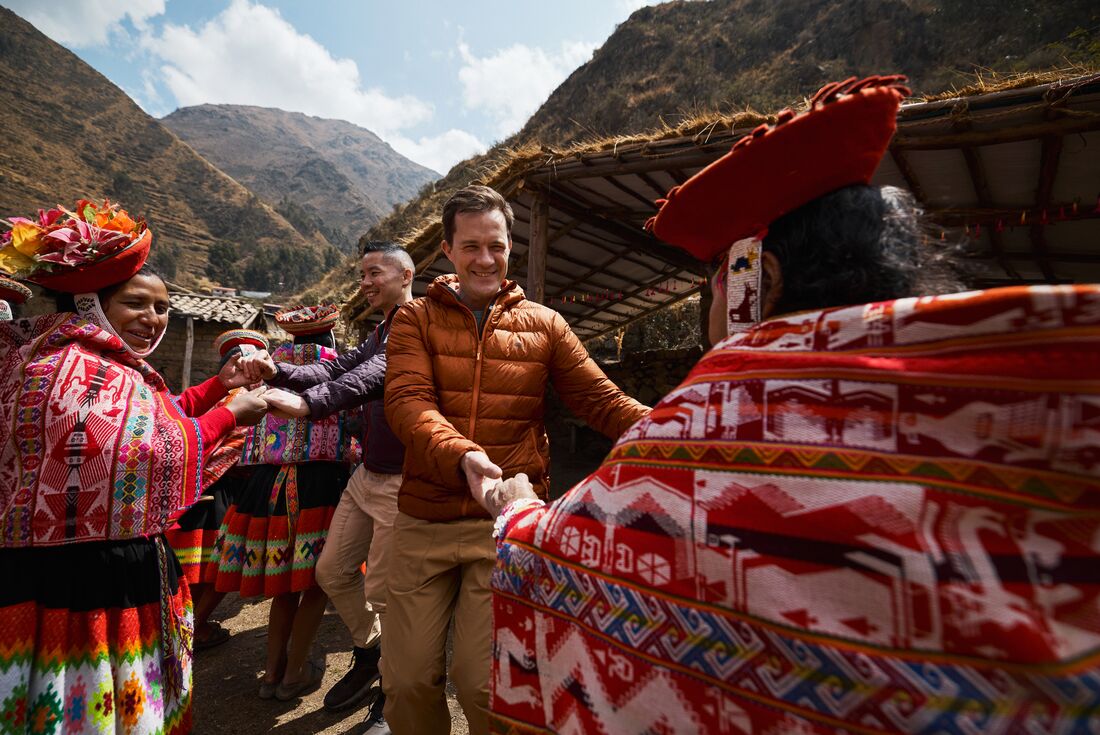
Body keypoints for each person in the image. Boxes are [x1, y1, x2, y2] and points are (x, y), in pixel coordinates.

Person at [477, 75, 1100, 733]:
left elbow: (575, 535)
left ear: (757, 281)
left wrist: (519, 507)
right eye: (473, 247)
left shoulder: (694, 415)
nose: (485, 260)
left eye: (715, 286)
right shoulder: (1024, 381)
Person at [382, 184, 651, 734]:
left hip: (505, 522)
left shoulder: (546, 324)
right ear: (447, 250)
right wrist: (463, 455)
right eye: (472, 246)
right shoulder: (414, 319)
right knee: (408, 682)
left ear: (511, 248)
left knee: (485, 685)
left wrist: (684, 431)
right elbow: (408, 401)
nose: (486, 259)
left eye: (497, 246)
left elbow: (603, 402)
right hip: (423, 517)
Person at [0, 199, 267, 734]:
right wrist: (230, 414)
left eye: (163, 307)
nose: (154, 319)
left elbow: (149, 419)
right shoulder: (84, 371)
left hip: (51, 566)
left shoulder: (60, 357)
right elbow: (149, 453)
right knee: (95, 707)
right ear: (90, 302)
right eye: (136, 303)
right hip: (90, 580)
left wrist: (219, 387)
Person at [238, 241, 415, 732]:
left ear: (406, 275)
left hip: (401, 477)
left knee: (385, 591)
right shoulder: (380, 328)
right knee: (332, 572)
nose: (365, 282)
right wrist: (281, 371)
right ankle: (372, 651)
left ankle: (393, 697)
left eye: (375, 273)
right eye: (362, 275)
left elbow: (373, 375)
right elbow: (339, 367)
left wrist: (308, 404)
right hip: (367, 473)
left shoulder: (417, 322)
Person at [211, 304, 356, 702]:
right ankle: (294, 674)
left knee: (285, 586)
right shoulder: (337, 366)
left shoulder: (267, 368)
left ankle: (271, 673)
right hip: (320, 482)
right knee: (316, 582)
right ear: (329, 332)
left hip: (267, 483)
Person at [165, 329, 271, 651]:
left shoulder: (215, 396)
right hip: (223, 492)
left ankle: (182, 627)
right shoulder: (256, 400)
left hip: (196, 489)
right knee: (218, 569)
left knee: (193, 569)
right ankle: (194, 628)